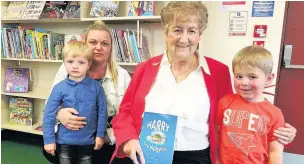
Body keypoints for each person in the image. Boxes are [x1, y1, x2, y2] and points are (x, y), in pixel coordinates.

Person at [111, 2, 297, 164]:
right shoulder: (145, 68)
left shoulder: (218, 71)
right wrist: (128, 140)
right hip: (146, 152)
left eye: (192, 31)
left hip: (196, 156)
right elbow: (124, 112)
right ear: (165, 32)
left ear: (200, 35)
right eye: (177, 30)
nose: (184, 39)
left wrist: (278, 134)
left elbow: (240, 114)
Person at [43, 20, 131, 164]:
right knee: (54, 152)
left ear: (111, 47)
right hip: (71, 136)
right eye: (93, 42)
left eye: (104, 43)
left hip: (106, 138)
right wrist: (60, 113)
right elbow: (50, 104)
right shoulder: (67, 68)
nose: (98, 48)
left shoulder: (122, 76)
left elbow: (128, 115)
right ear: (85, 43)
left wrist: (108, 136)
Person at [215, 45, 285, 164]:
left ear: (268, 79)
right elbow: (217, 134)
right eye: (239, 76)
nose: (244, 82)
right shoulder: (224, 102)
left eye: (252, 77)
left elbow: (275, 152)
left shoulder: (275, 114)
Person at [43, 41, 108, 164]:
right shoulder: (59, 88)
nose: (75, 66)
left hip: (88, 142)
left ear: (89, 64)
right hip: (64, 142)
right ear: (64, 63)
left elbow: (102, 112)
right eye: (70, 62)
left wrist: (100, 135)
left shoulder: (96, 87)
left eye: (81, 62)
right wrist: (48, 140)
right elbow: (49, 114)